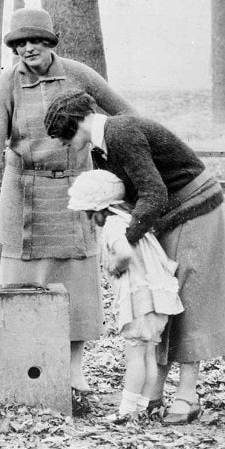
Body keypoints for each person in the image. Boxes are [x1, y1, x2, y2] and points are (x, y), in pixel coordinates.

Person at [45, 90, 225, 424]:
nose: (63, 145)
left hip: (194, 203)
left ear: (74, 124)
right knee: (158, 294)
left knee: (185, 294)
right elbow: (127, 194)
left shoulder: (120, 133)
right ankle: (153, 393)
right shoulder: (101, 148)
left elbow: (154, 193)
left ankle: (187, 394)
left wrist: (126, 241)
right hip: (164, 212)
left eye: (62, 137)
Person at [0, 7, 138, 394]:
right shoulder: (6, 83)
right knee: (21, 279)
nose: (28, 49)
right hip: (22, 191)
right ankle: (24, 369)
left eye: (35, 41)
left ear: (49, 43)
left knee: (73, 280)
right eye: (20, 43)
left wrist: (118, 160)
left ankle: (74, 370)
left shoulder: (78, 74)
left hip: (74, 193)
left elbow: (126, 115)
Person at [67, 169, 184, 424]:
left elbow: (125, 254)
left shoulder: (112, 226)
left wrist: (115, 266)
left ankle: (127, 411)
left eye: (90, 213)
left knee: (135, 357)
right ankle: (143, 406)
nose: (90, 220)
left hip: (138, 299)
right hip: (159, 298)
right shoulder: (131, 218)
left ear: (101, 208)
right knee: (148, 355)